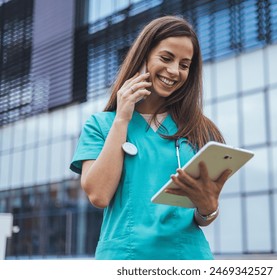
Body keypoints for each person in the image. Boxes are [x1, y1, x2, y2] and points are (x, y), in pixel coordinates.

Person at [70, 15, 232, 260]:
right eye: (166, 58)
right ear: (143, 57)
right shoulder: (100, 125)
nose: (174, 71)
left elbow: (203, 215)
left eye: (184, 65)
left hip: (187, 258)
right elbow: (98, 195)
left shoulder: (199, 129)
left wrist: (208, 209)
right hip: (125, 259)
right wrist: (122, 118)